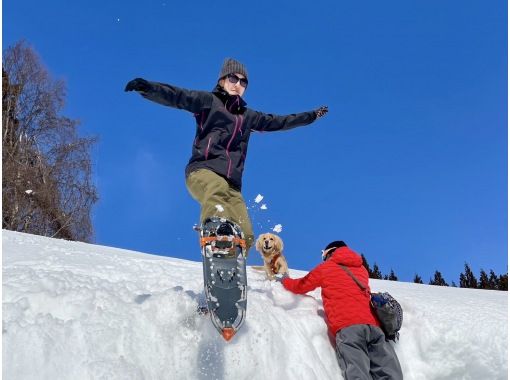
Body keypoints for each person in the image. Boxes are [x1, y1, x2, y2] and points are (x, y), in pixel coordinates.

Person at [125, 58, 328, 253]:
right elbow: (178, 96)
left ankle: (230, 269)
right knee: (217, 190)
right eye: (233, 78)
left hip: (233, 185)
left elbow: (280, 121)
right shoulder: (209, 102)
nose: (237, 84)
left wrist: (311, 116)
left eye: (243, 81)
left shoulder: (249, 117)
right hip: (202, 171)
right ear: (222, 80)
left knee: (246, 233)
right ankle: (215, 235)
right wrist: (148, 88)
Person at [277, 241, 403, 380]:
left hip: (349, 328)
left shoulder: (326, 268)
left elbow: (301, 286)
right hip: (374, 327)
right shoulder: (362, 269)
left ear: (330, 252)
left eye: (325, 256)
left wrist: (284, 280)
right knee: (390, 373)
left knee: (357, 374)